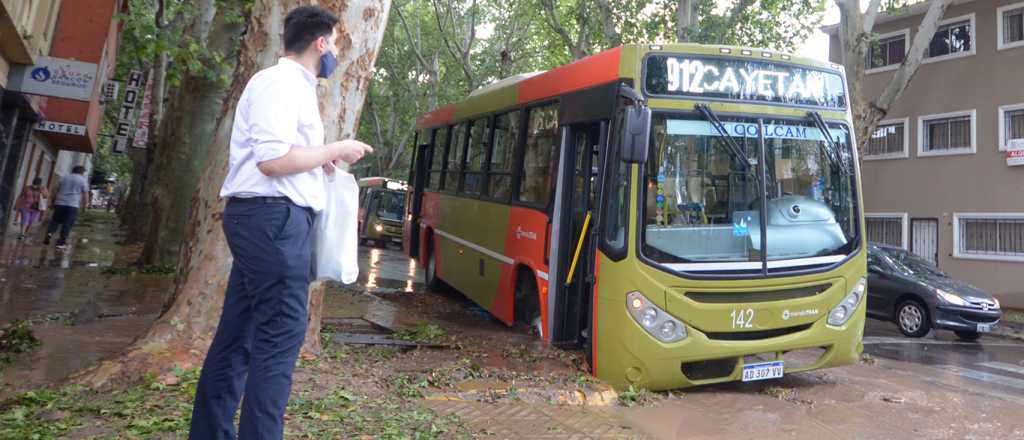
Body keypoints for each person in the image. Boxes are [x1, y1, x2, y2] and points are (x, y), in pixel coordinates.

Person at [189, 6, 373, 439]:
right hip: (273, 222)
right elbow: (272, 161)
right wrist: (336, 149)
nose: (337, 54)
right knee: (280, 339)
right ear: (321, 43)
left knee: (239, 336)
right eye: (337, 44)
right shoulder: (280, 83)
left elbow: (283, 156)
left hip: (268, 222)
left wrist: (321, 161)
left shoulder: (290, 86)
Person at [44, 166, 90, 248]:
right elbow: (85, 194)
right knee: (67, 223)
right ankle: (61, 243)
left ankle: (49, 233)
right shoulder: (83, 180)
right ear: (81, 172)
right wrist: (85, 206)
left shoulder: (64, 178)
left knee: (55, 221)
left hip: (60, 203)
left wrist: (53, 201)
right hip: (72, 205)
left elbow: (54, 190)